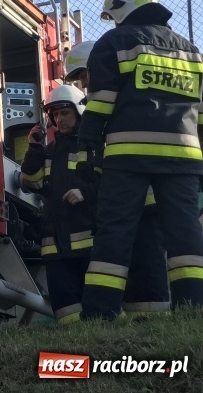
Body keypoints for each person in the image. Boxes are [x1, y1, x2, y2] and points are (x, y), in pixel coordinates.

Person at [77, 0, 203, 319]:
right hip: (185, 157)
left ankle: (100, 316)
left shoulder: (115, 42)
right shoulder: (191, 50)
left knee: (116, 232)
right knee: (186, 235)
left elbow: (101, 103)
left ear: (121, 9)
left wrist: (87, 147)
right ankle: (193, 310)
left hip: (128, 156)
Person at [65, 40, 171, 318]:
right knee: (126, 260)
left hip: (141, 196)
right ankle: (130, 318)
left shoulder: (121, 102)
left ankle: (151, 319)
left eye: (84, 75)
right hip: (116, 197)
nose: (83, 83)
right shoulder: (103, 105)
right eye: (78, 79)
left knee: (146, 259)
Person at [21, 85, 96, 323]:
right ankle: (76, 350)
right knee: (66, 314)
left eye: (65, 112)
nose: (59, 119)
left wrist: (85, 192)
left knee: (99, 310)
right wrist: (34, 147)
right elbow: (31, 182)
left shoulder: (93, 145)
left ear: (78, 111)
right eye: (55, 114)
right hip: (55, 248)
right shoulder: (50, 151)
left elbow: (113, 183)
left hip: (90, 244)